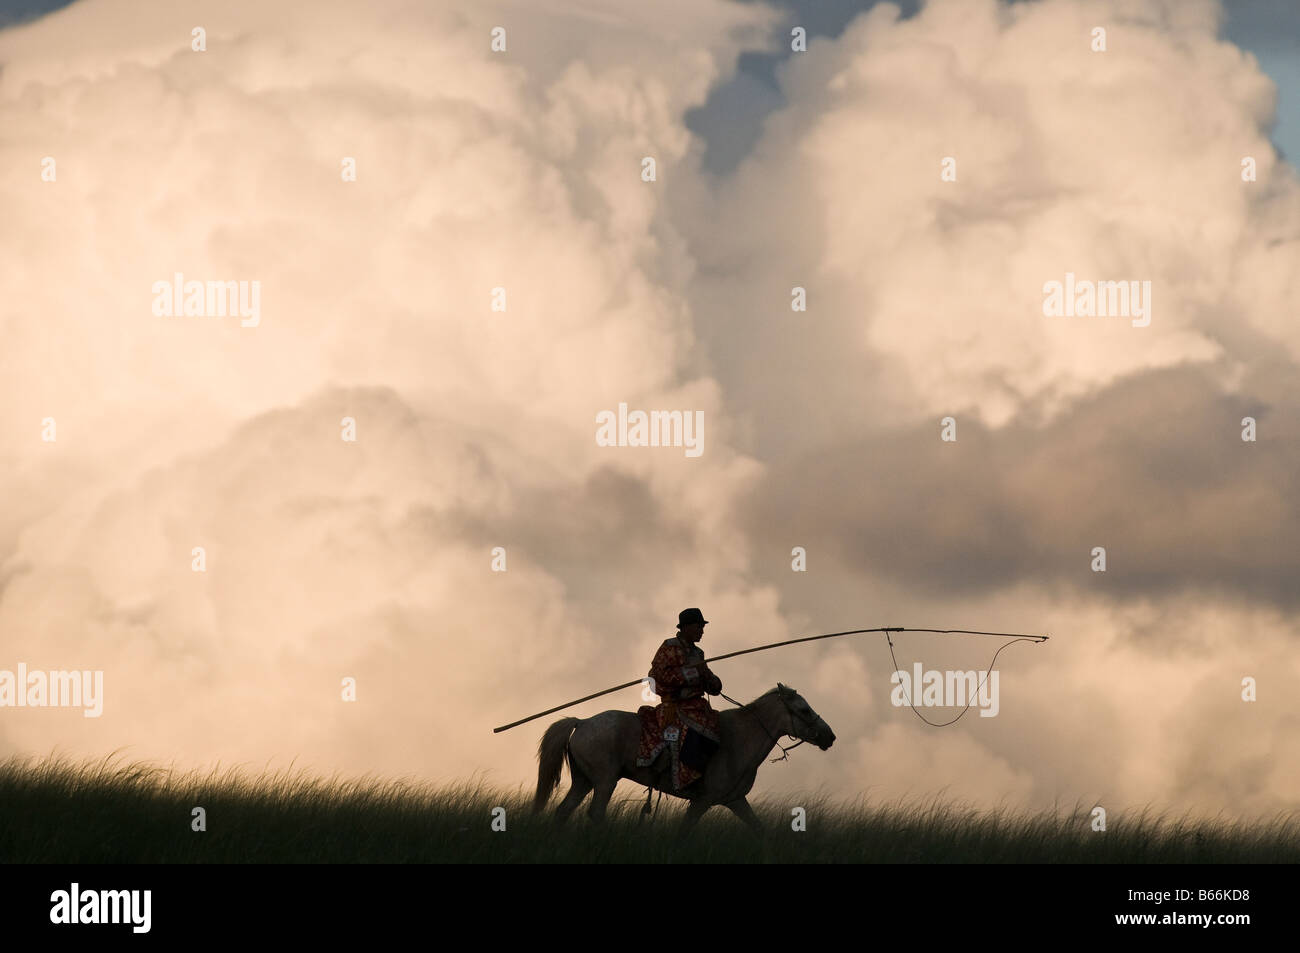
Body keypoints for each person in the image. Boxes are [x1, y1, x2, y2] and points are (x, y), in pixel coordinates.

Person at [646, 608, 722, 785]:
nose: (702, 631)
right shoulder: (669, 647)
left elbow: (714, 687)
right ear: (686, 627)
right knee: (692, 736)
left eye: (703, 627)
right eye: (698, 626)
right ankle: (688, 778)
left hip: (697, 707)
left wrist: (710, 678)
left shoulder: (698, 653)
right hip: (675, 707)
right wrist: (694, 672)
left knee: (719, 730)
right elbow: (657, 676)